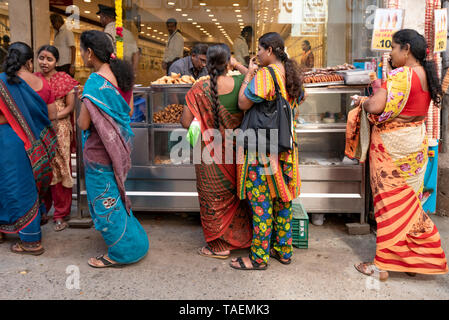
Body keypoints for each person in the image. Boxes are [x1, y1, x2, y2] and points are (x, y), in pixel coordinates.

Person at [349, 29, 448, 280]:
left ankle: (381, 266)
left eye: (393, 48)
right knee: (410, 205)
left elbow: (376, 106)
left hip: (392, 146)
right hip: (416, 143)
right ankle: (412, 260)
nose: (390, 53)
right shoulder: (427, 73)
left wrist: (364, 101)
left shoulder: (401, 75)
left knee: (388, 206)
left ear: (406, 49)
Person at [230, 32, 304, 270]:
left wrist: (248, 74)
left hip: (263, 149)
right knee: (282, 199)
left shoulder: (263, 75)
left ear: (270, 50)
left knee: (261, 201)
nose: (258, 54)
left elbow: (243, 102)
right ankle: (283, 250)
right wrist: (247, 69)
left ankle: (259, 258)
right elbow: (286, 99)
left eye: (260, 50)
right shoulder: (288, 74)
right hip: (285, 146)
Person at [77, 30, 148, 268]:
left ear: (89, 53)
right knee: (115, 197)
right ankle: (135, 241)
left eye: (81, 50)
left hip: (99, 152)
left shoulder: (95, 83)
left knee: (105, 201)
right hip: (119, 148)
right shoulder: (122, 76)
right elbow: (127, 112)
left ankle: (121, 252)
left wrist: (84, 103)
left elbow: (83, 124)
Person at [181, 44, 252, 259]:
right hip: (236, 154)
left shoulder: (199, 88)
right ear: (228, 61)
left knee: (211, 199)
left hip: (209, 156)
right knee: (235, 198)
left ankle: (218, 247)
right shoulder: (242, 83)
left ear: (207, 63)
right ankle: (239, 239)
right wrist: (238, 64)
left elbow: (185, 122)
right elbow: (253, 74)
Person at [0, 42, 57, 254]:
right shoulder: (39, 82)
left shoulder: (3, 82)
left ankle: (31, 241)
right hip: (34, 143)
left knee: (11, 187)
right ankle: (31, 226)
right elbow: (49, 116)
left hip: (8, 142)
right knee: (26, 185)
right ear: (30, 61)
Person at [35, 45, 79, 232]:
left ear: (57, 62)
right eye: (41, 58)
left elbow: (70, 107)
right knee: (42, 169)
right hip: (39, 127)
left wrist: (53, 116)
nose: (45, 62)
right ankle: (43, 210)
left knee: (61, 168)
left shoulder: (65, 80)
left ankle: (61, 213)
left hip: (59, 126)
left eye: (49, 59)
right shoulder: (33, 80)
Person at [97, 4, 140, 75]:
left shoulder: (108, 31)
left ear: (105, 17)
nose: (100, 20)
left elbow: (106, 53)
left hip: (113, 71)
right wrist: (133, 71)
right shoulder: (128, 33)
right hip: (126, 71)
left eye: (101, 17)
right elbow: (136, 53)